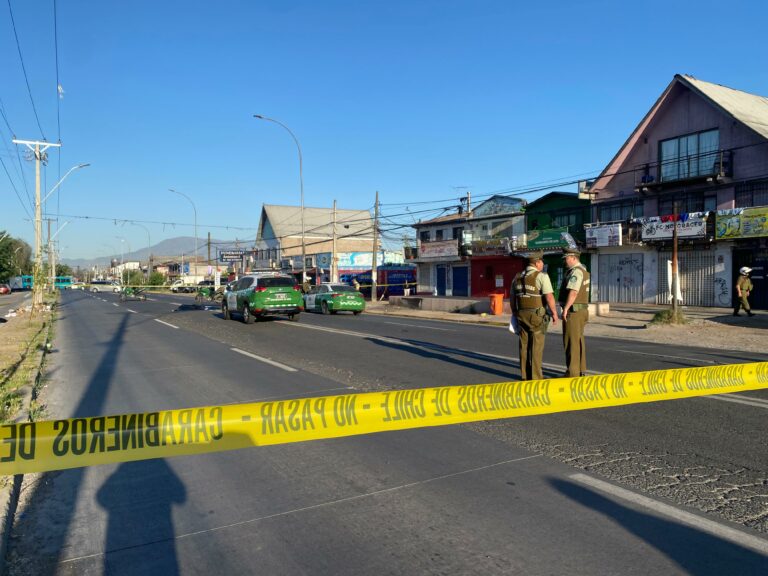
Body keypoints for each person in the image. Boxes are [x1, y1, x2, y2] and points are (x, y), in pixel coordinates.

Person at [510, 252, 559, 381]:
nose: (542, 264)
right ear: (537, 263)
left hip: (521, 315)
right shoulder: (541, 276)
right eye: (542, 262)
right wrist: (554, 313)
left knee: (523, 345)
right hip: (537, 315)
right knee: (536, 346)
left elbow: (512, 298)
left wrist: (515, 312)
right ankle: (536, 377)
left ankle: (525, 375)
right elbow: (549, 296)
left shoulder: (517, 277)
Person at [559, 249, 591, 378]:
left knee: (571, 342)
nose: (565, 261)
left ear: (573, 257)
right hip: (582, 310)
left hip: (574, 311)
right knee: (578, 341)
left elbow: (573, 292)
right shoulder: (584, 271)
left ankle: (572, 373)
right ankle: (581, 369)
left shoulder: (576, 272)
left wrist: (566, 308)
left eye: (566, 258)